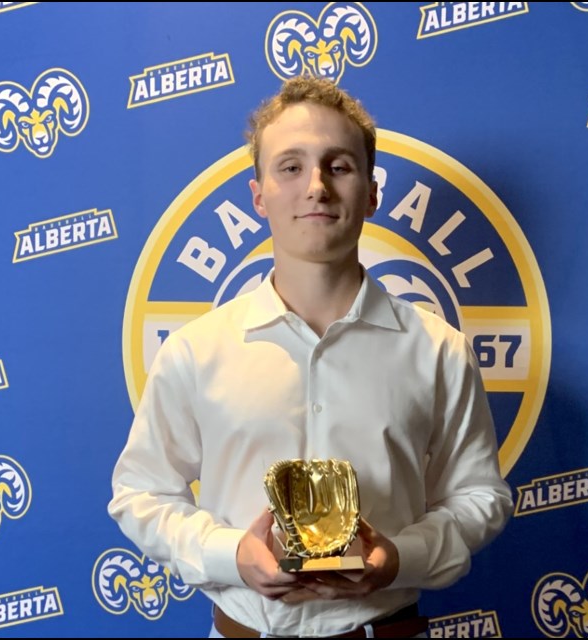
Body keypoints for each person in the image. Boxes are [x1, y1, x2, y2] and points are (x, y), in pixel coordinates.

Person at [108, 76, 513, 638]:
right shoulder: (195, 352)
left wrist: (399, 557)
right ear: (258, 195)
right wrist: (232, 555)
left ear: (371, 192)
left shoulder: (438, 349)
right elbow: (141, 495)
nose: (316, 187)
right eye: (291, 167)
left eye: (339, 166)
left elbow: (479, 497)